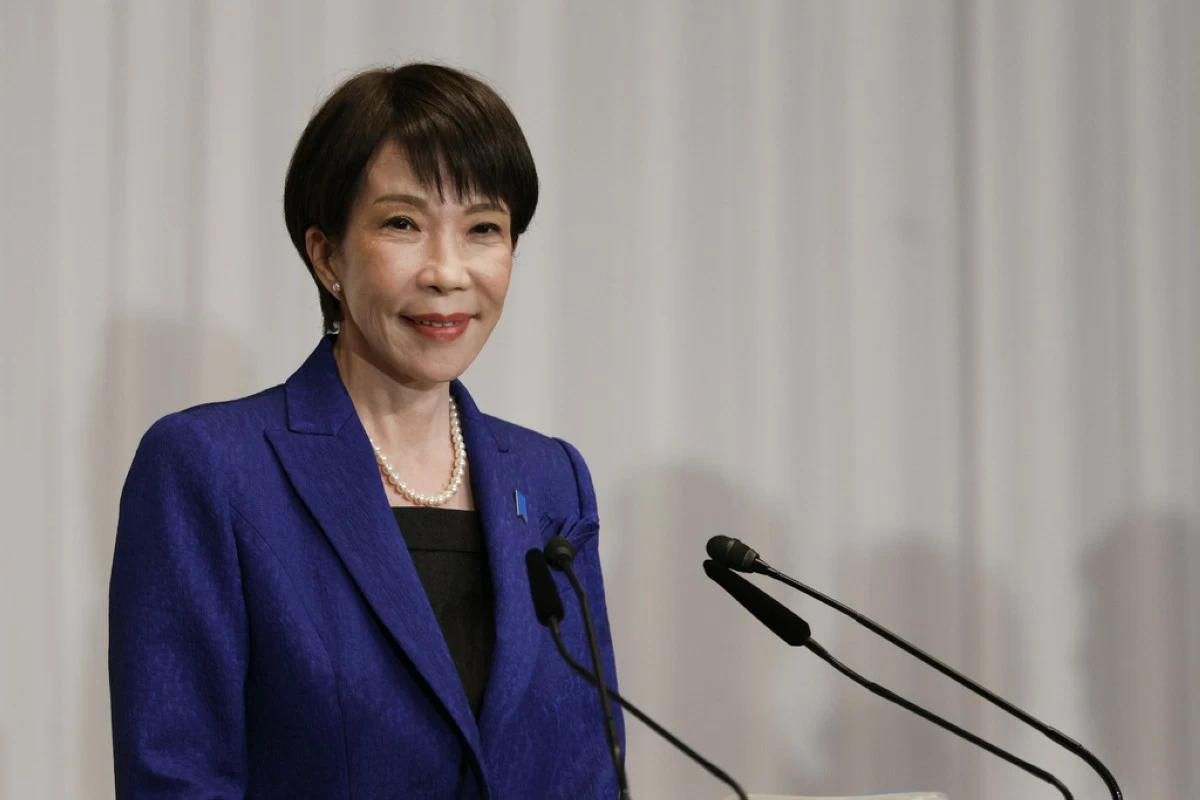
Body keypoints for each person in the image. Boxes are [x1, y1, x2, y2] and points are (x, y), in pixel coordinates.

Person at [108, 63, 624, 799]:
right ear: (328, 257)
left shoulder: (549, 479)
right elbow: (176, 777)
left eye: (483, 229)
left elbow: (588, 770)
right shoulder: (209, 468)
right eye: (403, 224)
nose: (448, 272)